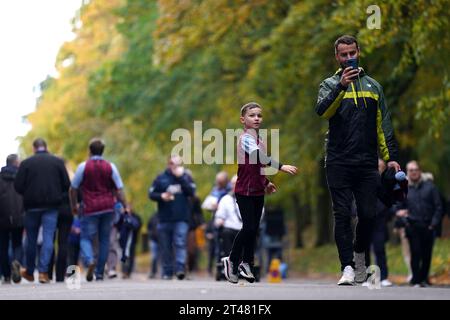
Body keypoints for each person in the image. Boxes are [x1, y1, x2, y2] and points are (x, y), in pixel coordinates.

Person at [315, 35, 400, 285]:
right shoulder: (329, 84)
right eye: (344, 54)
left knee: (368, 214)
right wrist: (340, 86)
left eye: (352, 53)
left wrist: (391, 157)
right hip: (338, 159)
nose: (349, 58)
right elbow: (323, 111)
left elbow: (383, 124)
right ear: (337, 57)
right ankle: (347, 267)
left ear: (358, 52)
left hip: (366, 161)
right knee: (342, 214)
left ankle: (359, 253)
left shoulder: (374, 86)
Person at [222, 102, 297, 284]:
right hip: (244, 191)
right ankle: (232, 260)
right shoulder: (246, 138)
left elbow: (258, 167)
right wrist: (281, 166)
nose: (256, 118)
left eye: (259, 116)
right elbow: (259, 158)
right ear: (243, 120)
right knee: (248, 227)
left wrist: (266, 183)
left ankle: (246, 263)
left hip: (257, 191)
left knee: (254, 229)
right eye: (252, 115)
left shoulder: (260, 140)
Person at [69, 138, 129, 281]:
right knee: (104, 240)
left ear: (89, 150)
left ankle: (90, 260)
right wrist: (124, 205)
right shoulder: (111, 167)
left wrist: (74, 206)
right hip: (108, 208)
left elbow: (73, 188)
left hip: (89, 208)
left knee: (85, 237)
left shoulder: (83, 167)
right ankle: (100, 272)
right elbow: (119, 189)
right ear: (103, 151)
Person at [14, 138, 71, 284]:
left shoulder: (26, 163)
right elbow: (66, 184)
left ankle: (30, 271)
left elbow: (18, 186)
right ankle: (44, 273)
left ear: (34, 148)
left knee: (31, 240)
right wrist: (57, 194)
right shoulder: (57, 162)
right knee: (48, 237)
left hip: (31, 206)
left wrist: (28, 193)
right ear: (46, 147)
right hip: (52, 206)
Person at [149, 155, 196, 280]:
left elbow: (191, 192)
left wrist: (180, 178)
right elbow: (151, 193)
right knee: (165, 246)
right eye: (171, 163)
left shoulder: (186, 177)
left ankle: (180, 269)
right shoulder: (161, 178)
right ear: (168, 164)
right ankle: (167, 271)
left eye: (176, 163)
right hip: (164, 218)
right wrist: (161, 196)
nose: (174, 166)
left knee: (180, 243)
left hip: (181, 218)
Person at [396, 161, 442, 287]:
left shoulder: (430, 187)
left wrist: (434, 224)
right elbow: (398, 207)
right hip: (412, 226)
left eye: (415, 169)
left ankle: (424, 279)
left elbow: (438, 207)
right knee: (415, 253)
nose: (414, 172)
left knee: (427, 254)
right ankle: (416, 279)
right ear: (407, 172)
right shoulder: (403, 188)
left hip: (428, 226)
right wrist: (402, 217)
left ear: (420, 171)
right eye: (411, 170)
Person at [0, 154, 24, 284]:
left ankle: (6, 275)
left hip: (2, 217)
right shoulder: (21, 177)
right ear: (16, 163)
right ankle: (16, 262)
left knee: (3, 246)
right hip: (18, 216)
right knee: (17, 244)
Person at [202, 171, 230, 275]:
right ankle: (219, 269)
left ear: (225, 181)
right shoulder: (214, 191)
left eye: (220, 182)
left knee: (227, 246)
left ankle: (229, 268)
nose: (218, 183)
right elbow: (206, 205)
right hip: (216, 221)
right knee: (216, 247)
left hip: (228, 221)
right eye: (217, 181)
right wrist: (212, 206)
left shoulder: (230, 191)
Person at [147, 213, 160, 278]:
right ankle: (153, 272)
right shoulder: (152, 217)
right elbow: (148, 227)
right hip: (153, 240)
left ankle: (163, 272)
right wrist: (150, 234)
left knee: (163, 257)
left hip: (162, 241)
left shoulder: (165, 217)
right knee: (154, 257)